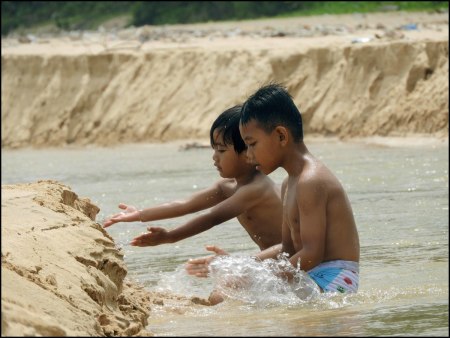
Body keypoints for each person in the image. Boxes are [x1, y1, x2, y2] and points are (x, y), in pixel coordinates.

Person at [186, 83, 360, 301]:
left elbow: (312, 254)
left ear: (280, 136)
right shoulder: (289, 184)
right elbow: (287, 250)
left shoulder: (311, 181)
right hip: (311, 273)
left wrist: (255, 276)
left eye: (252, 144)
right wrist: (241, 265)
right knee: (224, 291)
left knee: (226, 296)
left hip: (334, 280)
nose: (248, 155)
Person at [103, 105, 283, 252]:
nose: (214, 157)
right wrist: (139, 214)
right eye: (214, 149)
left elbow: (211, 218)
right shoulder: (227, 186)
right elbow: (185, 204)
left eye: (221, 150)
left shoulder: (256, 189)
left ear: (248, 152)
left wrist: (170, 236)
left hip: (296, 264)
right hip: (276, 263)